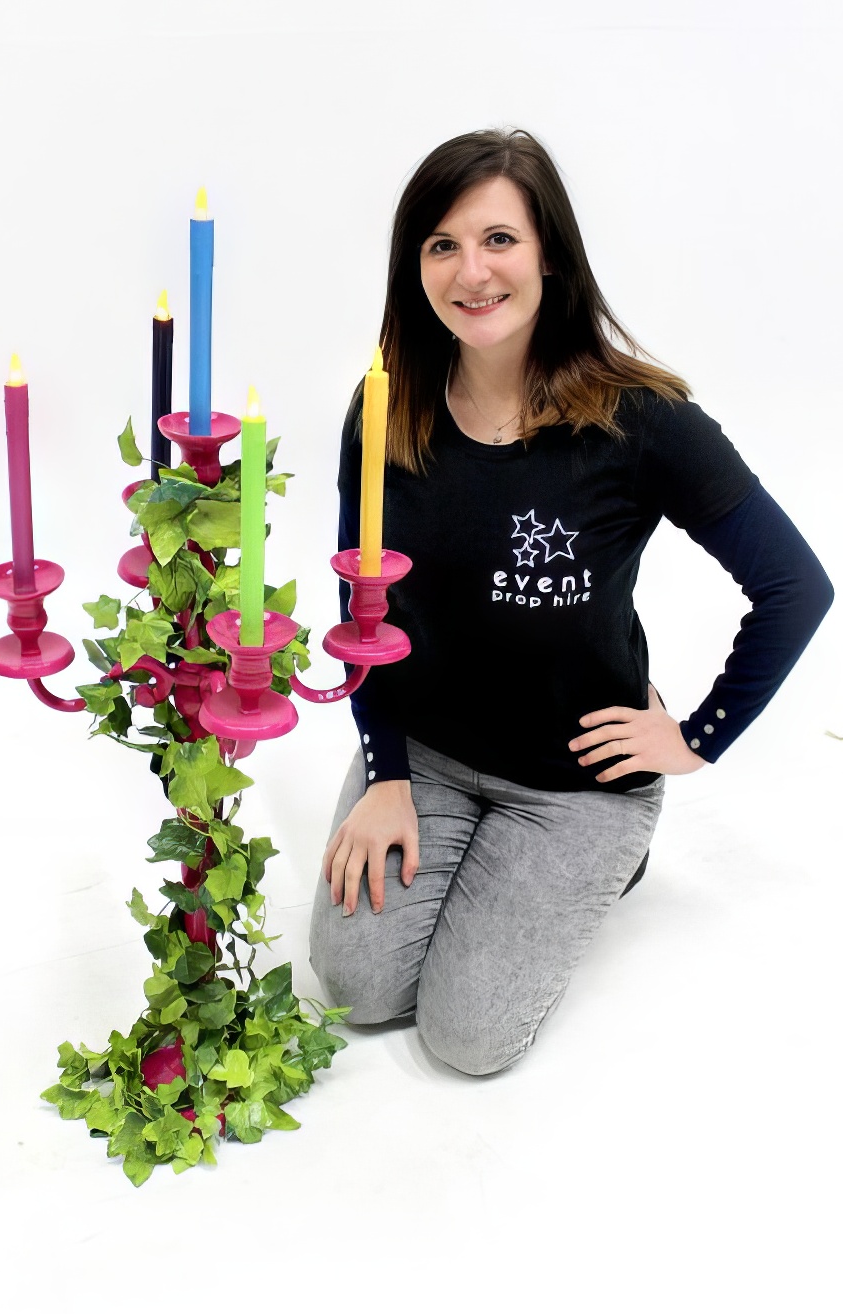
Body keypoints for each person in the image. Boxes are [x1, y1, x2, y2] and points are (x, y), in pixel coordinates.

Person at [307, 128, 834, 1078]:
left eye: (499, 239)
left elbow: (797, 586)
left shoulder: (642, 421)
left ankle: (614, 851)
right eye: (442, 245)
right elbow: (363, 611)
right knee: (357, 989)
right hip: (427, 754)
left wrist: (697, 738)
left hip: (574, 779)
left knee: (468, 1040)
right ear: (414, 266)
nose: (472, 271)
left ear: (549, 252)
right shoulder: (385, 408)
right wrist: (385, 771)